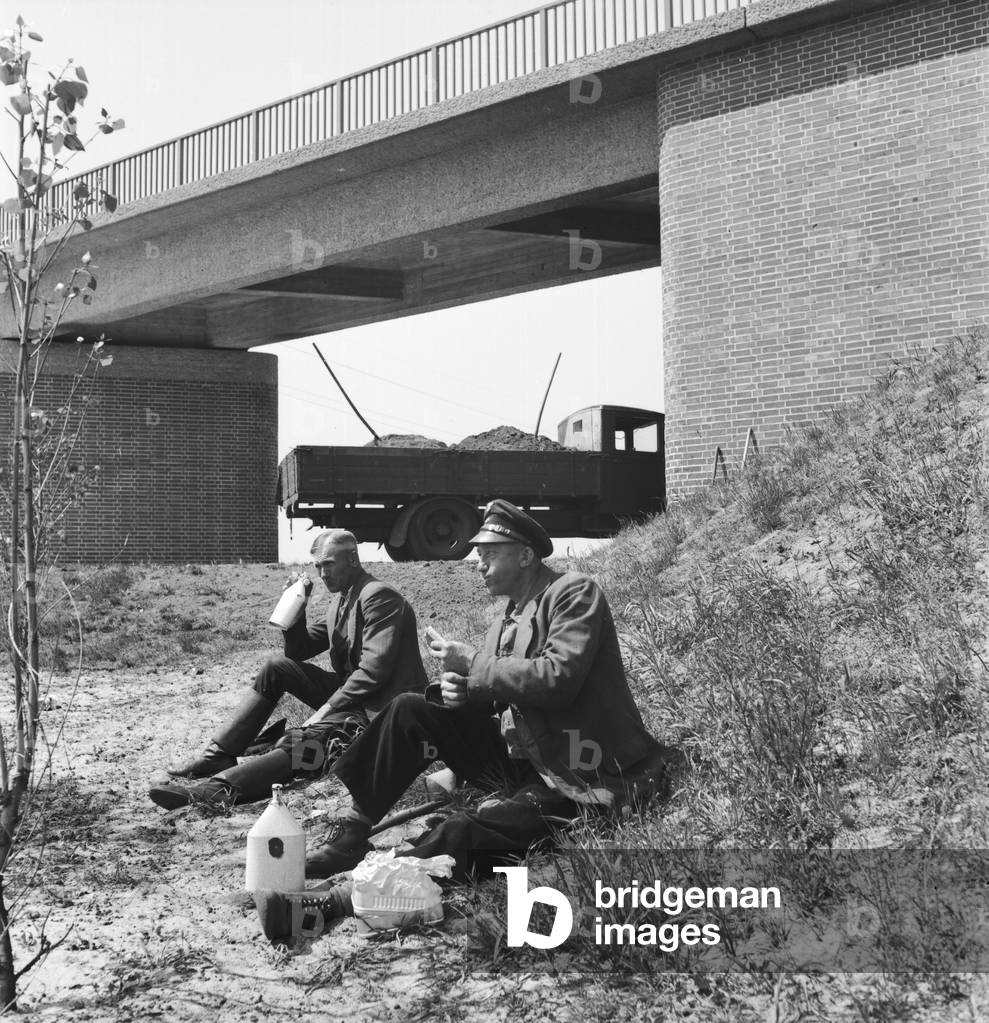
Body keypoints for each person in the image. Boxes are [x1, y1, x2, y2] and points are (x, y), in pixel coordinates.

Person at [256, 500, 682, 942]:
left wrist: (475, 665)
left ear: (525, 555)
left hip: (580, 773)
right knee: (410, 707)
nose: (478, 564)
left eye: (489, 553)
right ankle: (354, 829)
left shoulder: (574, 593)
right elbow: (502, 693)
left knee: (463, 830)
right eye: (478, 553)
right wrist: (462, 693)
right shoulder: (506, 615)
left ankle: (337, 900)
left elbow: (558, 681)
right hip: (525, 757)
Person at [149, 529, 427, 810]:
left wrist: (327, 709)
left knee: (303, 743)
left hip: (383, 713)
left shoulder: (379, 597)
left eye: (328, 564)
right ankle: (218, 755)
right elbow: (297, 651)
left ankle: (216, 790)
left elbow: (373, 672)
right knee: (276, 668)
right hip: (356, 702)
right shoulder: (341, 601)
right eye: (318, 567)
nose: (322, 574)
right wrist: (298, 604)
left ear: (353, 560)